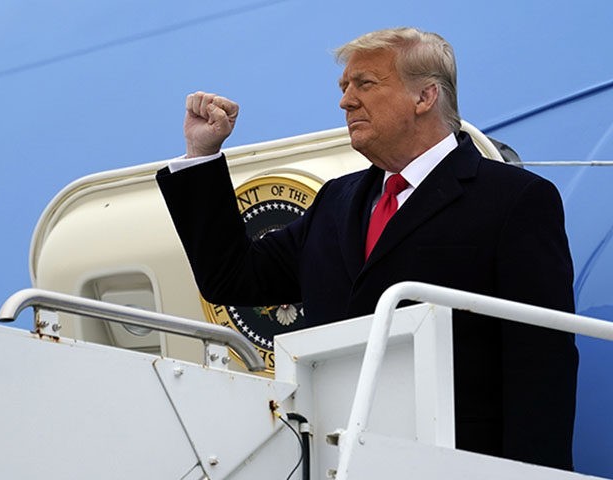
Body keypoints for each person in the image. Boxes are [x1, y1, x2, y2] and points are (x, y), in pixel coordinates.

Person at [156, 27, 578, 470]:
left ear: (425, 96)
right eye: (344, 87)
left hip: (457, 463)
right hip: (335, 460)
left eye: (366, 84)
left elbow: (540, 362)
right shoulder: (336, 202)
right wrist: (201, 155)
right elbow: (232, 276)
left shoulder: (514, 200)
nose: (346, 101)